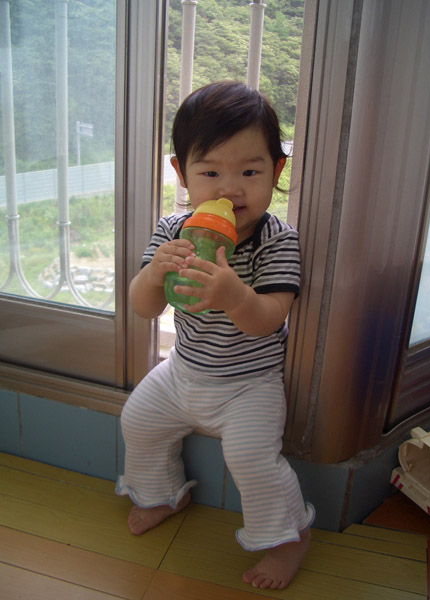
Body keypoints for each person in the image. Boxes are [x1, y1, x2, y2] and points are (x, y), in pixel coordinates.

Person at [116, 80, 315, 590]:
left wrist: (236, 296)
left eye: (250, 171)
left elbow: (269, 318)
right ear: (181, 173)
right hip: (182, 372)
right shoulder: (173, 231)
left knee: (250, 458)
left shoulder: (276, 241)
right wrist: (154, 273)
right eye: (210, 172)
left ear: (277, 171)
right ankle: (165, 494)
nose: (230, 189)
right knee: (137, 420)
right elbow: (144, 308)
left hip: (250, 385)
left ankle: (290, 536)